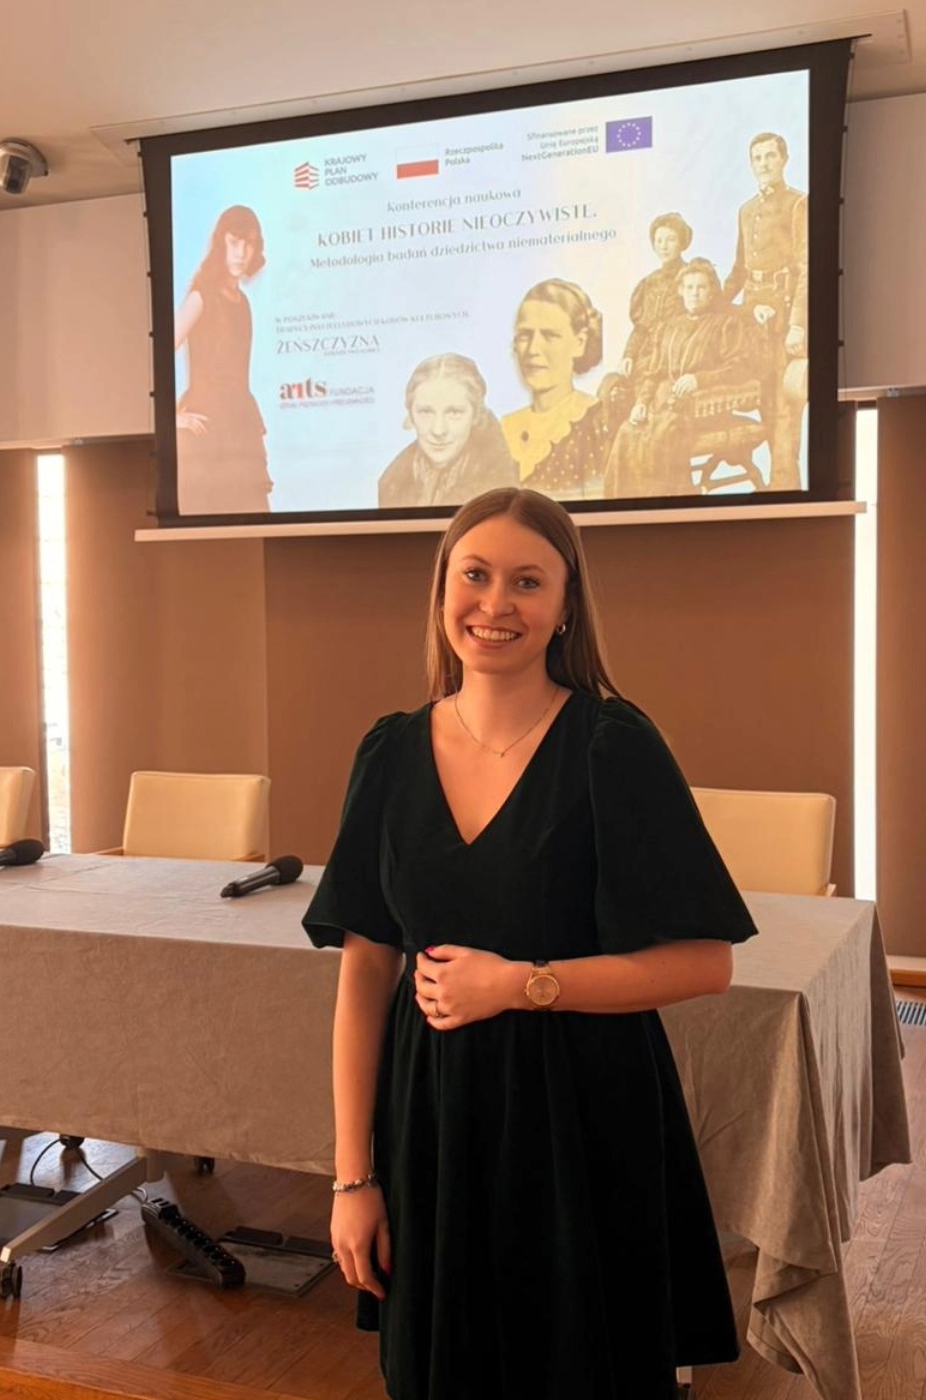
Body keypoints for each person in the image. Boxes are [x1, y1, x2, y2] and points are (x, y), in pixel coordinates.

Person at [304, 486, 757, 1400]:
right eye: (474, 576)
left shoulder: (612, 745)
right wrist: (354, 1179)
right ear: (443, 590)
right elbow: (365, 972)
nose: (495, 604)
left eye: (527, 581)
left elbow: (706, 964)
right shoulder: (389, 753)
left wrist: (521, 985)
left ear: (565, 604)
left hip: (584, 1122)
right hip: (432, 1124)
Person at [605, 259, 755, 499]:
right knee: (627, 432)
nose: (694, 293)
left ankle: (660, 507)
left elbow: (740, 369)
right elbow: (654, 372)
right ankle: (624, 509)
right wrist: (641, 403)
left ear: (711, 292)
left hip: (703, 409)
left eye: (701, 287)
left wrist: (699, 380)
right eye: (689, 287)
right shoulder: (670, 327)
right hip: (662, 404)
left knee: (660, 436)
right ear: (681, 291)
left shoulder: (725, 324)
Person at [721, 132, 808, 490]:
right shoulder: (746, 210)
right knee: (765, 406)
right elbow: (739, 270)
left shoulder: (798, 203)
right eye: (757, 158)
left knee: (785, 407)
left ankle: (785, 490)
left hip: (784, 320)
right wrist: (713, 305)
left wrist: (798, 324)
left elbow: (806, 267)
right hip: (753, 325)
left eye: (770, 156)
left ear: (784, 159)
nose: (764, 163)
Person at [174, 204, 272, 514]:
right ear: (221, 244)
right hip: (206, 432)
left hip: (239, 426)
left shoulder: (243, 302)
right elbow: (160, 355)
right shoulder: (201, 298)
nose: (241, 253)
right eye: (234, 242)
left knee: (252, 514)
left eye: (249, 244)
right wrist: (170, 418)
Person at [501, 280, 612, 501]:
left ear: (579, 343)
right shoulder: (501, 428)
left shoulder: (596, 422)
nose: (533, 350)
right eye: (525, 335)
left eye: (550, 336)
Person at [377, 354, 517, 509]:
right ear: (411, 414)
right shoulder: (390, 482)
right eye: (426, 412)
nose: (438, 430)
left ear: (476, 415)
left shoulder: (505, 480)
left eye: (454, 412)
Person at [620, 213, 692, 376]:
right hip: (647, 356)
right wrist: (629, 355)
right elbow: (641, 328)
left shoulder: (694, 277)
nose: (663, 246)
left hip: (679, 357)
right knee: (611, 384)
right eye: (659, 241)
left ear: (682, 242)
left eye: (670, 240)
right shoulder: (649, 282)